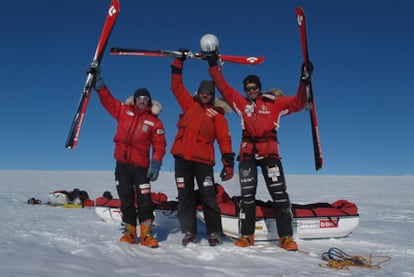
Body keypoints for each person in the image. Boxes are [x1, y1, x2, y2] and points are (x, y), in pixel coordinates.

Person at [205, 52, 313, 251]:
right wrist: (213, 66)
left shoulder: (274, 103)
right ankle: (247, 236)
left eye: (254, 88)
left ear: (259, 88)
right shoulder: (242, 103)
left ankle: (286, 237)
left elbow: (298, 102)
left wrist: (304, 80)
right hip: (247, 155)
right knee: (247, 197)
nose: (251, 91)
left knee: (279, 195)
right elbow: (224, 88)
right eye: (248, 89)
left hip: (270, 154)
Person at [88, 64, 167, 248]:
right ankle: (130, 231)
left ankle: (147, 233)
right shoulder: (124, 111)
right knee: (126, 198)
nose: (142, 101)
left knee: (145, 199)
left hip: (141, 168)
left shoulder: (155, 122)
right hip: (122, 165)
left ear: (149, 101)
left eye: (145, 98)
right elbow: (108, 100)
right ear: (135, 98)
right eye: (139, 98)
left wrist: (155, 165)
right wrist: (99, 83)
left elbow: (160, 145)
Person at [170, 49, 235, 247]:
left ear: (212, 95)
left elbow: (224, 140)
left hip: (203, 162)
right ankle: (189, 230)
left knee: (208, 196)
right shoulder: (189, 104)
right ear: (198, 93)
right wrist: (178, 64)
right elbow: (176, 87)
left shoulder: (218, 115)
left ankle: (214, 232)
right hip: (182, 160)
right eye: (202, 92)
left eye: (209, 93)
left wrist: (228, 162)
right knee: (185, 196)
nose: (205, 95)